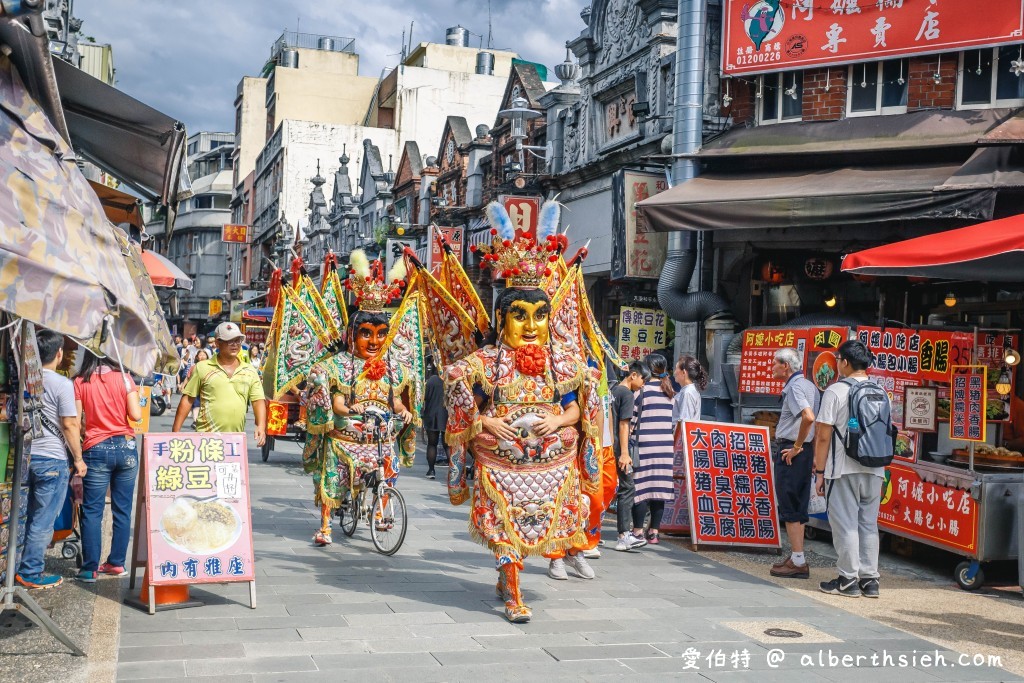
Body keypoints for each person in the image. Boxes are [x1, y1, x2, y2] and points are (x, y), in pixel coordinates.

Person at [443, 212, 602, 624]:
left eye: (540, 316)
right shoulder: (487, 361)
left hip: (549, 464)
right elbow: (460, 387)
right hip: (503, 461)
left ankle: (506, 578)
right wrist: (484, 423)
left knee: (534, 526)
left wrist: (560, 423)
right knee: (504, 526)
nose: (531, 326)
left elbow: (576, 407)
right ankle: (513, 594)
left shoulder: (561, 361)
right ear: (501, 319)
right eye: (520, 316)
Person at [303, 251, 417, 547]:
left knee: (388, 472)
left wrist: (403, 412)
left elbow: (395, 402)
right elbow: (338, 403)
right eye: (366, 334)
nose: (374, 342)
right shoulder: (339, 366)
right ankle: (326, 525)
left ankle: (382, 513)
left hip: (380, 439)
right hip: (346, 439)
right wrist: (349, 409)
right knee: (335, 480)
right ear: (351, 334)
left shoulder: (394, 368)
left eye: (381, 335)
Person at [813, 340, 886, 598]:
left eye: (838, 360)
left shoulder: (836, 391)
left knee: (845, 525)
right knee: (868, 524)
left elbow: (823, 436)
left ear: (844, 362)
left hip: (842, 468)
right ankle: (870, 580)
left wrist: (819, 471)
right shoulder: (880, 390)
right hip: (875, 468)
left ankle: (847, 579)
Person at [16, 330, 85, 589]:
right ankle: (30, 572)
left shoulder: (24, 380)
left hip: (24, 456)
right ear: (58, 354)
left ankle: (13, 565)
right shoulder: (62, 384)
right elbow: (69, 423)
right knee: (42, 520)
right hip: (51, 459)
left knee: (21, 516)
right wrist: (78, 459)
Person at [72, 352, 142, 582]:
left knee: (92, 510)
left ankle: (90, 568)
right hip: (126, 447)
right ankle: (116, 563)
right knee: (122, 509)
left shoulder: (80, 381)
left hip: (96, 448)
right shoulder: (124, 378)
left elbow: (76, 420)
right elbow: (136, 415)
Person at [172, 322, 267, 448]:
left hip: (235, 442)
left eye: (237, 341)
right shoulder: (202, 368)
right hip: (205, 440)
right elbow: (188, 399)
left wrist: (260, 426)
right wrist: (174, 433)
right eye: (229, 341)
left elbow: (258, 401)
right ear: (217, 343)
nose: (234, 345)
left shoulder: (250, 371)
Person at [769, 347, 820, 579]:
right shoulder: (810, 385)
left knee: (789, 505)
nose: (772, 367)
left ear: (785, 366)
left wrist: (797, 447)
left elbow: (808, 417)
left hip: (792, 449)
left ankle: (798, 561)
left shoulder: (796, 387)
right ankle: (797, 557)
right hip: (804, 450)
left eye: (775, 363)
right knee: (797, 506)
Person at [630, 353, 676, 546]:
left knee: (640, 489)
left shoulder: (641, 391)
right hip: (665, 446)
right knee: (659, 490)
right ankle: (654, 532)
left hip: (644, 445)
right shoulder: (670, 393)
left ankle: (638, 531)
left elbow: (631, 421)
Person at [613, 361, 650, 552]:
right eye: (643, 379)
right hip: (618, 448)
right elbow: (624, 425)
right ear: (633, 375)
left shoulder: (613, 389)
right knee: (627, 487)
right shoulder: (627, 394)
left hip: (605, 445)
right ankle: (624, 536)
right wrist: (625, 453)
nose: (643, 384)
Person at [421, 361, 447, 479]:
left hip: (431, 415)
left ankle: (431, 470)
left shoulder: (431, 380)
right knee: (448, 445)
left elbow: (424, 397)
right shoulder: (450, 380)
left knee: (432, 444)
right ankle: (454, 472)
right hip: (446, 415)